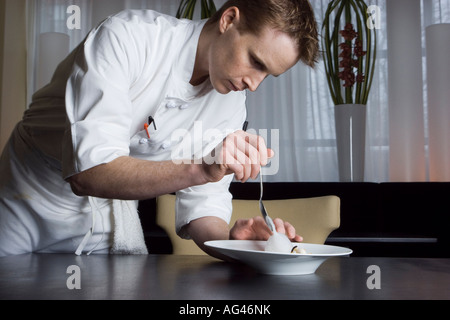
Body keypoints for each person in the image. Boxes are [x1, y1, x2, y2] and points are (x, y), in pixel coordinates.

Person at [0, 0, 319, 257]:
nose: (253, 84)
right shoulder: (128, 37)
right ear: (229, 20)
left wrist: (235, 244)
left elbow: (202, 205)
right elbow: (88, 172)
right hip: (22, 199)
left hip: (99, 223)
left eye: (267, 75)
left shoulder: (230, 104)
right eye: (256, 61)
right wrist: (202, 169)